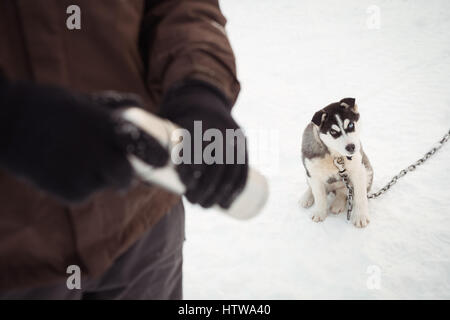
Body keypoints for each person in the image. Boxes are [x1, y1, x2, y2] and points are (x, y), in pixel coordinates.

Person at [0, 0, 247, 299]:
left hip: (143, 218)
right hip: (15, 260)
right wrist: (13, 119)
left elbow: (181, 6)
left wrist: (200, 87)